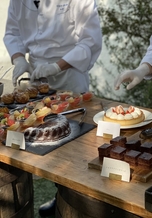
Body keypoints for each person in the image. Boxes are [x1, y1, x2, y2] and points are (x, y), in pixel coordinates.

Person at [3, 0, 102, 217]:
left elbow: (90, 41)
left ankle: (64, 198)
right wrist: (19, 58)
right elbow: (12, 32)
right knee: (40, 134)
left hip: (70, 74)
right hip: (36, 71)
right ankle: (57, 193)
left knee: (75, 142)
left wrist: (57, 66)